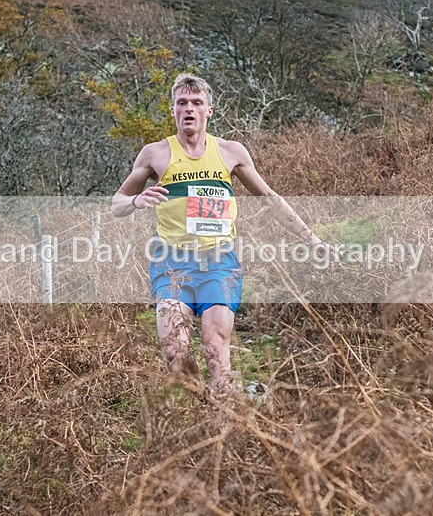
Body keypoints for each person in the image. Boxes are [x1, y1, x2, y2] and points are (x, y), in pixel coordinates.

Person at [112, 73, 321, 394]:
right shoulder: (155, 154)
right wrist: (137, 199)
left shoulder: (230, 152)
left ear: (209, 110)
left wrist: (312, 240)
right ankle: (206, 411)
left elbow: (269, 198)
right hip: (171, 264)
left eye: (197, 103)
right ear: (173, 111)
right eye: (182, 103)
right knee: (174, 353)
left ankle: (226, 419)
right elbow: (117, 204)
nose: (189, 109)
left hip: (219, 263)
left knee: (215, 348)